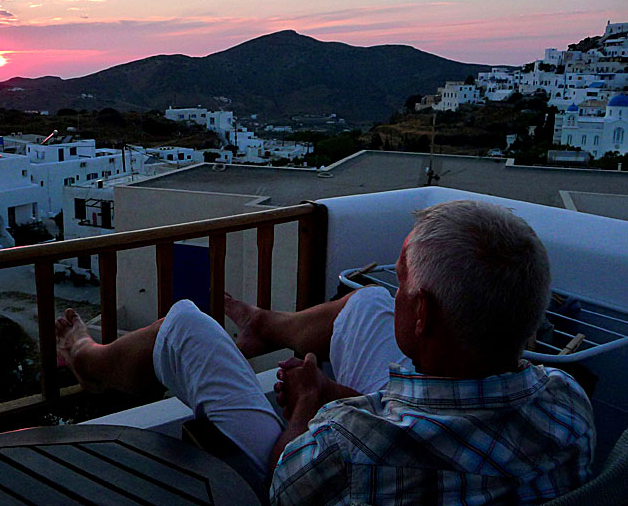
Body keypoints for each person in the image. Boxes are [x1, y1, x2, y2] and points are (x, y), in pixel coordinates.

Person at [55, 200, 595, 505]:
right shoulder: (570, 404)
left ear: (424, 315)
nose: (399, 289)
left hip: (293, 479)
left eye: (404, 282)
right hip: (431, 422)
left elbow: (287, 479)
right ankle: (269, 327)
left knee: (184, 328)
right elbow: (432, 433)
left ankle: (86, 359)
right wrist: (341, 396)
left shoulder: (352, 443)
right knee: (367, 304)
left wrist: (309, 405)